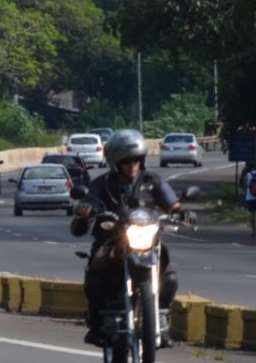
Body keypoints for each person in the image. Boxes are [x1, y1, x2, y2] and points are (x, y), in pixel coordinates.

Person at [70, 129, 191, 347]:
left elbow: (171, 201)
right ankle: (96, 325)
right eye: (127, 161)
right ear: (115, 162)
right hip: (112, 240)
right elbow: (90, 200)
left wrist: (181, 212)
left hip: (147, 240)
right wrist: (87, 209)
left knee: (170, 274)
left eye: (137, 160)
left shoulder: (151, 181)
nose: (132, 165)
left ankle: (161, 320)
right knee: (96, 266)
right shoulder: (102, 184)